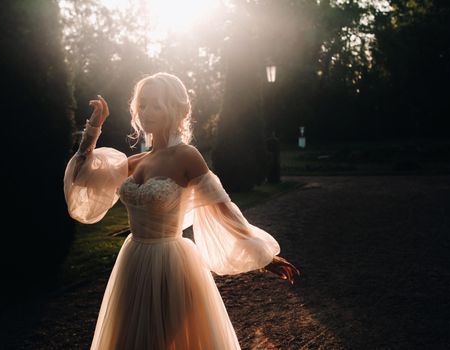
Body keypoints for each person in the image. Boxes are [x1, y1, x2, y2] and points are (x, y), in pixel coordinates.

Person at [63, 72, 300, 349]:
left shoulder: (187, 157)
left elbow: (224, 210)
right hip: (133, 261)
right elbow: (80, 178)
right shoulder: (137, 161)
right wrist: (93, 128)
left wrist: (263, 256)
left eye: (157, 105)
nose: (147, 112)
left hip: (170, 266)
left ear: (179, 110)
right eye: (143, 105)